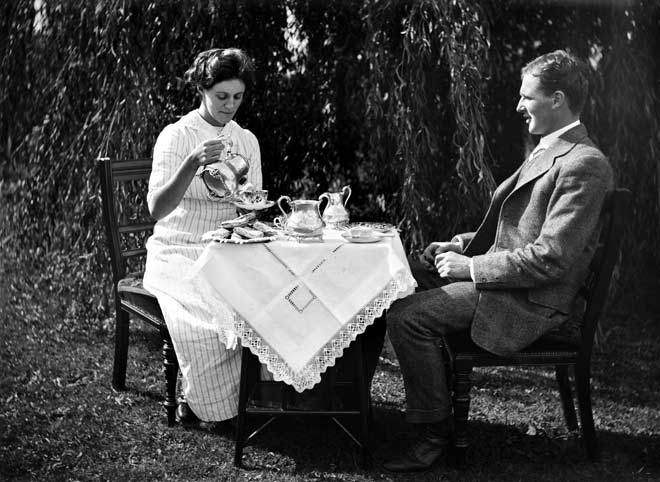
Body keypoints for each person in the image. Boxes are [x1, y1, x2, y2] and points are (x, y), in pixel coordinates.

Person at [382, 50, 613, 472]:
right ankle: (348, 404)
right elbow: (521, 231)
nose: (518, 105)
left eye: (527, 97)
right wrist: (461, 245)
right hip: (508, 282)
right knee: (395, 276)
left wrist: (471, 269)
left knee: (406, 316)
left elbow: (551, 258)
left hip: (531, 299)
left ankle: (434, 433)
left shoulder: (585, 164)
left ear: (557, 99)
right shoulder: (552, 150)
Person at [143, 47, 262, 424]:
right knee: (211, 317)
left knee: (267, 301)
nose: (230, 106)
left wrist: (248, 206)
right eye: (221, 96)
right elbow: (157, 209)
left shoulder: (247, 141)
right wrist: (192, 161)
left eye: (238, 97)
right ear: (202, 91)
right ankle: (207, 405)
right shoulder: (177, 135)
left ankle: (262, 396)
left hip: (228, 246)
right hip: (178, 247)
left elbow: (251, 204)